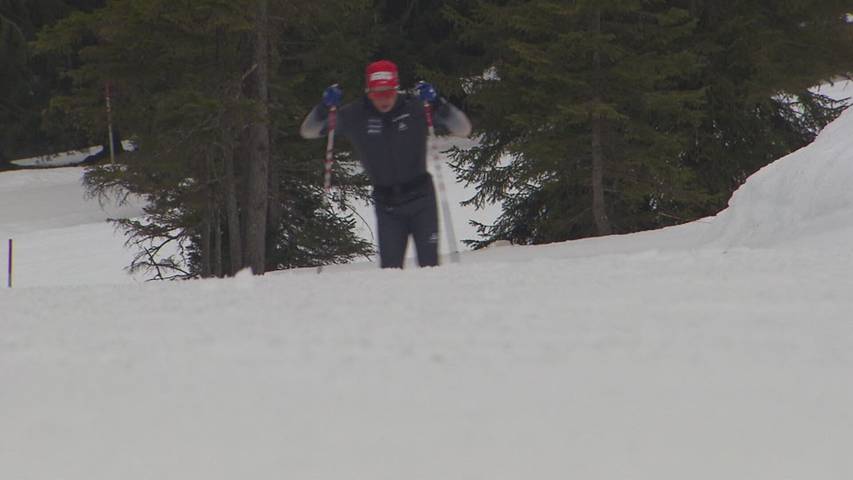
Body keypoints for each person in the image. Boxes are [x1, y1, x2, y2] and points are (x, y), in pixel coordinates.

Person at [300, 60, 472, 268]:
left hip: (421, 199)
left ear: (396, 89)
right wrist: (323, 107)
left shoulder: (414, 108)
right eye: (378, 94)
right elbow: (308, 131)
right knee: (390, 272)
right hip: (387, 205)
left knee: (430, 268)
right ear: (368, 92)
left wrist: (438, 104)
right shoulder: (355, 115)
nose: (384, 100)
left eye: (388, 92)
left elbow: (463, 128)